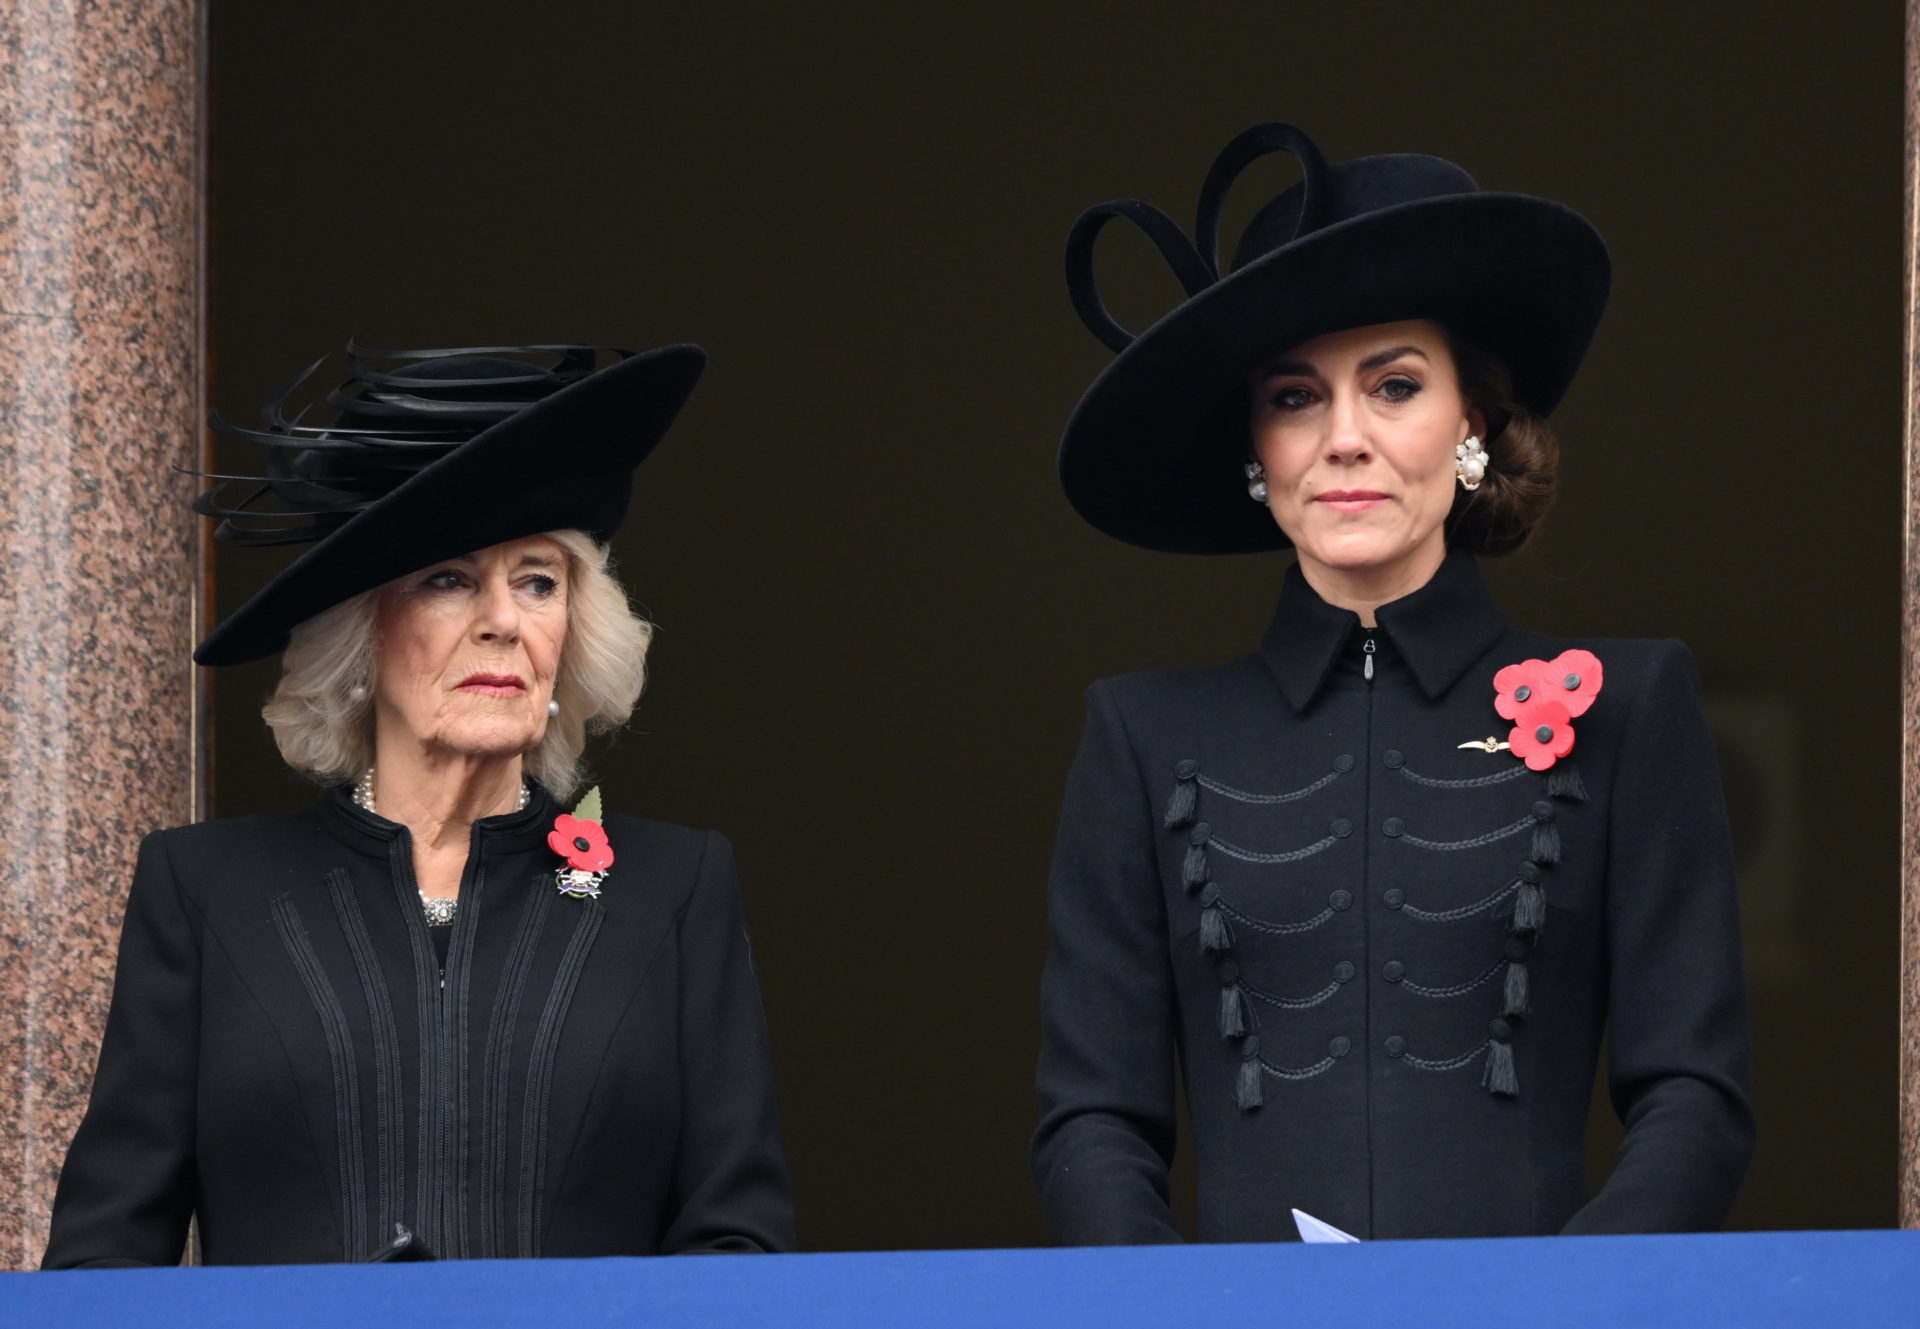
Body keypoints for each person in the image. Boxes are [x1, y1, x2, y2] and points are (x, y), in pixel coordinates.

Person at [1031, 125, 1753, 1243]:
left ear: (1472, 421)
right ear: (1255, 450)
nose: (1345, 439)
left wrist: (1563, 1314)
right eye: (1293, 397)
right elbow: (1092, 1123)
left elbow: (1694, 1095)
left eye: (1396, 385)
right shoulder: (1138, 732)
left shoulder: (1633, 703)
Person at [44, 343, 794, 1265]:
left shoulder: (675, 888)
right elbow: (105, 1261)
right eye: (448, 577)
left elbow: (736, 1241)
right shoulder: (206, 891)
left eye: (537, 580)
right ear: (363, 634)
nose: (504, 619)